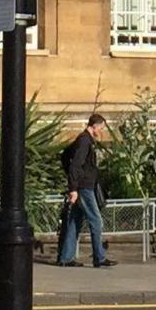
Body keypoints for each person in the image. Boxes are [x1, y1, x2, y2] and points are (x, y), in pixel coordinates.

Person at [57, 113, 114, 268]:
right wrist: (73, 189)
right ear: (94, 126)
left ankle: (66, 257)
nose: (101, 132)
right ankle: (99, 257)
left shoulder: (84, 140)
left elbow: (65, 155)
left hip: (84, 185)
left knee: (75, 221)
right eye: (101, 128)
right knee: (96, 221)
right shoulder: (84, 141)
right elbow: (75, 165)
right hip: (84, 188)